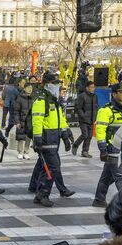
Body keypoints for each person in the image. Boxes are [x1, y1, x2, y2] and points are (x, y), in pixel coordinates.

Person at [31, 73, 75, 207]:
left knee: (48, 168)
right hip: (45, 139)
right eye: (53, 83)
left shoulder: (55, 101)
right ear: (45, 84)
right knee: (54, 167)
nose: (56, 86)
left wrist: (66, 133)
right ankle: (43, 194)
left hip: (54, 139)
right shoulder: (40, 101)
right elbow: (37, 121)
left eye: (57, 83)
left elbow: (61, 119)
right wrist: (37, 138)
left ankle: (39, 194)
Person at [92, 83, 122, 208]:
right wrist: (102, 149)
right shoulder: (105, 111)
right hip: (111, 148)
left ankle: (99, 199)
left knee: (107, 176)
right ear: (114, 94)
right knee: (120, 176)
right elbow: (100, 130)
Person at [8, 81, 35, 160]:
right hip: (22, 120)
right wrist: (17, 122)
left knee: (28, 137)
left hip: (30, 121)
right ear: (24, 89)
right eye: (28, 88)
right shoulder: (20, 98)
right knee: (21, 137)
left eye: (31, 88)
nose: (30, 90)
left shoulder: (33, 98)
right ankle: (20, 152)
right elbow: (16, 111)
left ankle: (26, 152)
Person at [72, 80, 98, 157]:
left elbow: (96, 107)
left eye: (93, 87)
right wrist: (83, 115)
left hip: (91, 119)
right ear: (87, 88)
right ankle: (75, 145)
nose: (92, 89)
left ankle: (85, 151)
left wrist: (96, 117)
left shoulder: (95, 96)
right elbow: (78, 107)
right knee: (85, 135)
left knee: (89, 136)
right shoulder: (82, 96)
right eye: (91, 87)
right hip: (83, 120)